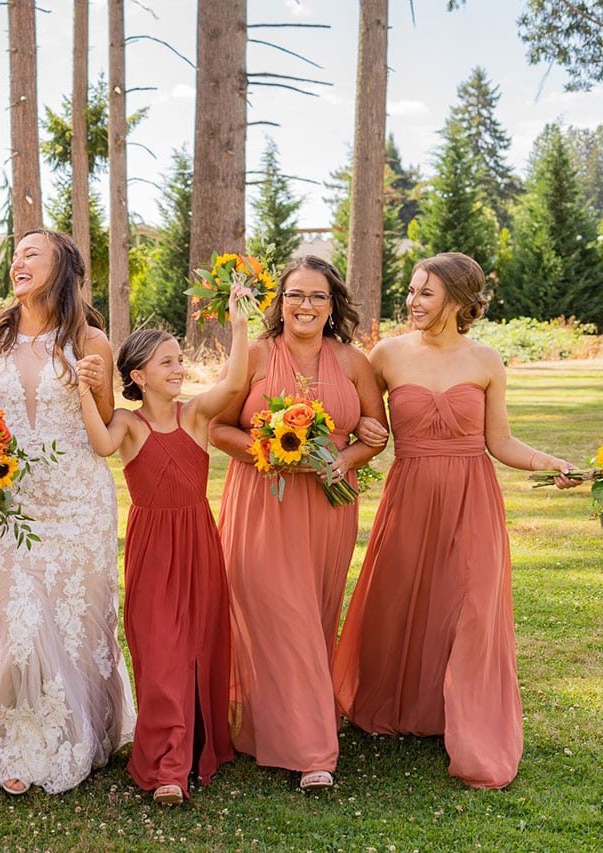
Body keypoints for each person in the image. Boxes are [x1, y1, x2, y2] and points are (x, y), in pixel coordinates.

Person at [332, 252, 579, 789]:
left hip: (473, 495)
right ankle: (402, 707)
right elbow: (361, 425)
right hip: (410, 492)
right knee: (402, 600)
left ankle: (475, 732)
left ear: (458, 301)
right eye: (412, 290)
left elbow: (500, 441)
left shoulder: (486, 360)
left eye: (425, 293)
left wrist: (550, 462)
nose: (412, 302)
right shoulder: (387, 355)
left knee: (473, 606)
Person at [0, 227, 135, 795]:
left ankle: (89, 728)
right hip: (11, 502)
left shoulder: (92, 340)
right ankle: (25, 740)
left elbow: (103, 426)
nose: (19, 263)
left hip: (79, 496)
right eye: (17, 255)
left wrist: (100, 385)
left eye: (33, 254)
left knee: (79, 617)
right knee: (25, 616)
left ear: (62, 267)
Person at [208, 254, 387, 792]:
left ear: (332, 307)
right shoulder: (256, 356)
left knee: (312, 613)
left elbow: (375, 433)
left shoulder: (354, 362)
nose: (305, 305)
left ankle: (288, 720)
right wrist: (272, 452)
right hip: (263, 500)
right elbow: (217, 428)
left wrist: (346, 460)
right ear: (278, 303)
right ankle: (312, 749)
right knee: (277, 614)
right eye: (294, 295)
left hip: (328, 507)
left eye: (317, 296)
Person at [74, 297, 249, 805]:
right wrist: (86, 389)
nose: (179, 368)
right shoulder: (129, 425)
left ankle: (195, 746)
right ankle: (166, 769)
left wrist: (239, 325)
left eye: (180, 359)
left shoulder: (194, 415)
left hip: (199, 545)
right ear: (139, 375)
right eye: (167, 362)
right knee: (161, 650)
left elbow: (235, 384)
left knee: (199, 647)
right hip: (153, 551)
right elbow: (102, 446)